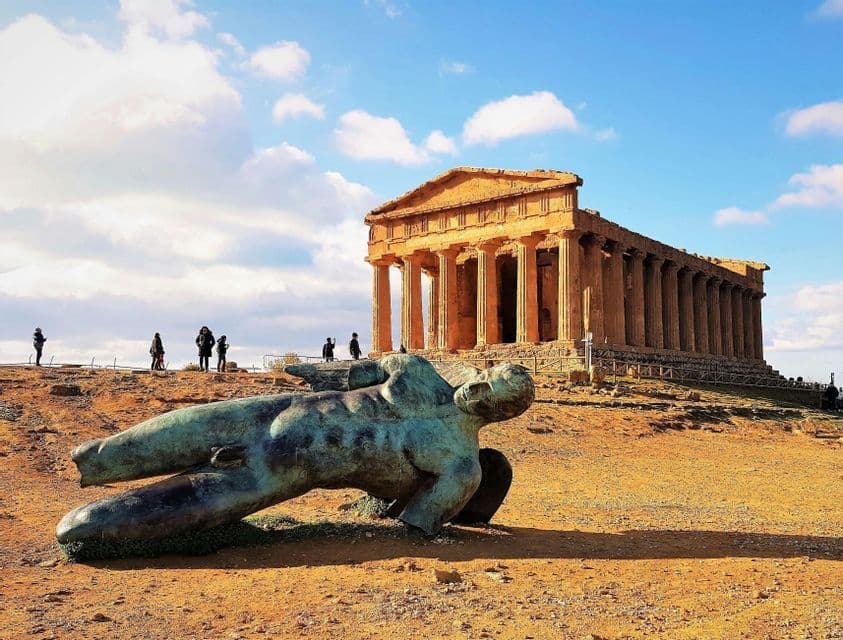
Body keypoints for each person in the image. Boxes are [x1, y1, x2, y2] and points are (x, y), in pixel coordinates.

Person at [57, 354, 535, 543]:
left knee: (90, 526)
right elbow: (354, 373)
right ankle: (95, 466)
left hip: (288, 469)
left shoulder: (460, 466)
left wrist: (407, 502)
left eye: (489, 397)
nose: (474, 392)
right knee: (108, 453)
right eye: (482, 380)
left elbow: (416, 523)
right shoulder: (416, 370)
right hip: (275, 410)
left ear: (501, 414)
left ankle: (90, 533)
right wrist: (321, 373)